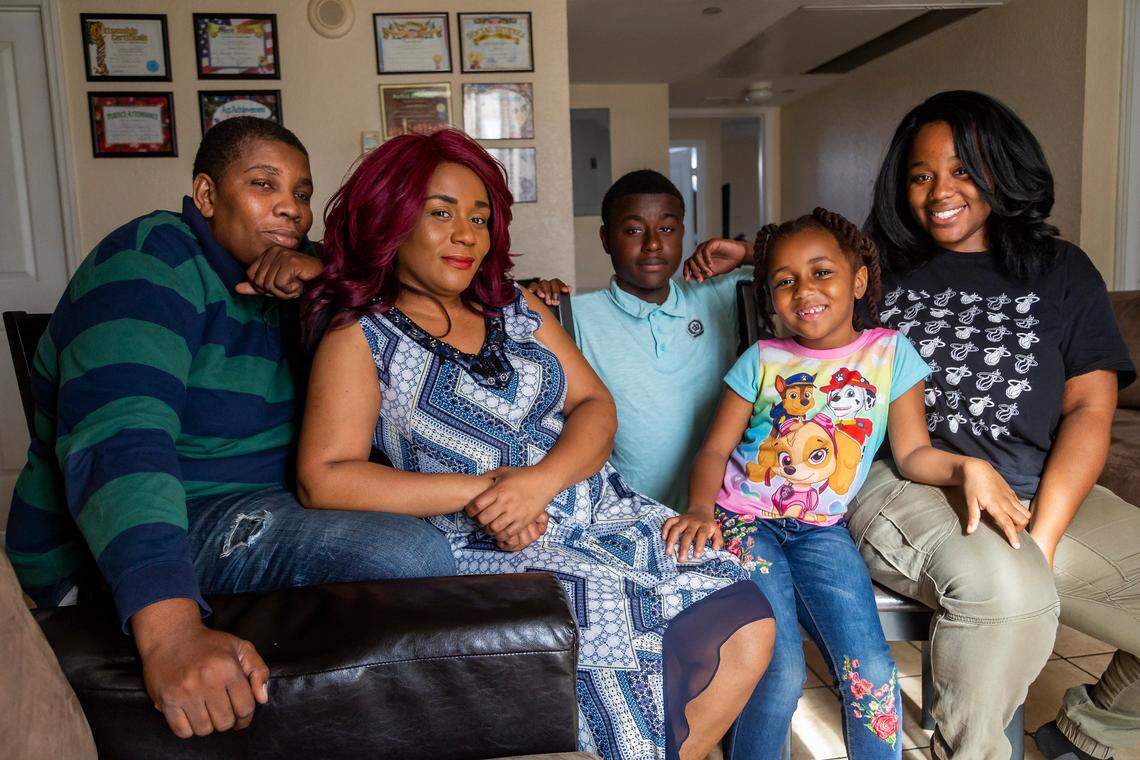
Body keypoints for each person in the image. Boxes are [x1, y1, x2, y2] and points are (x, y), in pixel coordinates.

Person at [295, 128, 775, 760]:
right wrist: (491, 494)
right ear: (392, 219)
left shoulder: (516, 306)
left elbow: (595, 406)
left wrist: (539, 481)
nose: (467, 233)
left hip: (600, 508)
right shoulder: (362, 333)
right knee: (620, 625)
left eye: (479, 216)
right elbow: (324, 476)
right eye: (440, 213)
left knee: (745, 611)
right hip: (488, 539)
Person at [695, 90, 1140, 759]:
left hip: (1038, 486)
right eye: (921, 175)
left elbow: (1089, 410)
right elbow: (816, 271)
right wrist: (749, 250)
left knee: (1021, 578)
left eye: (963, 170)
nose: (940, 192)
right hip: (910, 478)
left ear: (1004, 169)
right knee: (1004, 590)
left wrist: (1041, 536)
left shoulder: (1063, 271)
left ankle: (1091, 732)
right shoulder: (884, 263)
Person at [5, 117, 456, 740]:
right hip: (163, 515)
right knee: (407, 553)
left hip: (267, 501)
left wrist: (322, 284)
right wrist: (171, 633)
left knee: (452, 524)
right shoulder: (148, 261)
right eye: (263, 184)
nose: (289, 209)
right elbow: (120, 440)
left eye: (301, 194)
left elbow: (424, 292)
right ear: (207, 196)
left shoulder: (305, 270)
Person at [669, 207, 1025, 759]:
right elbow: (715, 449)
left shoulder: (890, 354)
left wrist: (966, 468)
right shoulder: (761, 358)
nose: (802, 290)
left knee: (874, 673)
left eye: (820, 272)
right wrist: (698, 509)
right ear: (770, 295)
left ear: (858, 279)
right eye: (783, 281)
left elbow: (912, 455)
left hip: (820, 531)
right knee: (777, 668)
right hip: (743, 523)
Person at [526, 169, 751, 509]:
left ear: (683, 233)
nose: (653, 244)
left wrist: (745, 252)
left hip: (715, 509)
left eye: (666, 228)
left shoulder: (714, 297)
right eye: (633, 230)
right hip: (625, 511)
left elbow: (801, 263)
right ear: (606, 239)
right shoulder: (575, 315)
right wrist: (538, 300)